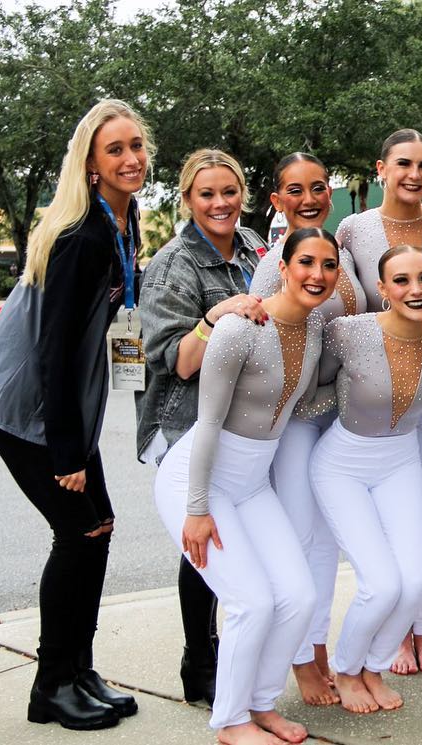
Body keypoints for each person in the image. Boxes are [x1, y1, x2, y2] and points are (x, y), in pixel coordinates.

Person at [0, 98, 148, 731]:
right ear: (91, 166)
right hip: (20, 404)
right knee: (78, 532)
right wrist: (67, 452)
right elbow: (54, 350)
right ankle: (50, 685)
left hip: (60, 405)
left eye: (136, 146)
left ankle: (77, 668)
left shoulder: (121, 224)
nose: (131, 159)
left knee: (98, 528)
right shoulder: (83, 236)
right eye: (115, 150)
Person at [153, 227, 338, 745]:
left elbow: (304, 404)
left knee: (298, 596)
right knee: (250, 602)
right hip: (200, 479)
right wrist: (196, 508)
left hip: (252, 484)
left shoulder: (316, 331)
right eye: (305, 262)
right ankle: (230, 722)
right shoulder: (241, 328)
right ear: (283, 266)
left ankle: (260, 703)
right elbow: (208, 423)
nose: (316, 275)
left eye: (327, 265)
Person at [137, 149, 268, 708]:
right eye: (207, 194)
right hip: (184, 422)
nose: (221, 204)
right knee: (205, 541)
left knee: (235, 542)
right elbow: (180, 362)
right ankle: (201, 662)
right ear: (188, 200)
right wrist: (217, 316)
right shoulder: (174, 265)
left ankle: (233, 653)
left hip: (240, 425)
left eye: (229, 192)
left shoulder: (254, 250)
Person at [335, 128, 422, 675]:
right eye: (404, 164)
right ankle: (388, 627)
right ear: (381, 168)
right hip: (378, 391)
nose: (415, 175)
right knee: (386, 526)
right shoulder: (353, 229)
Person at [308, 245, 422, 713]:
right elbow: (316, 388)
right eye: (402, 280)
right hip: (343, 464)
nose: (416, 290)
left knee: (413, 582)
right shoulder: (347, 333)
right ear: (382, 289)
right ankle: (347, 670)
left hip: (402, 461)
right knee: (382, 583)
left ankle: (373, 668)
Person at [249, 153, 365, 705]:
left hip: (340, 418)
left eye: (318, 187)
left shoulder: (341, 255)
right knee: (300, 539)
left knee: (325, 544)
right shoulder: (274, 265)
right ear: (277, 201)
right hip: (294, 421)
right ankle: (300, 659)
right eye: (294, 190)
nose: (309, 198)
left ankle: (316, 645)